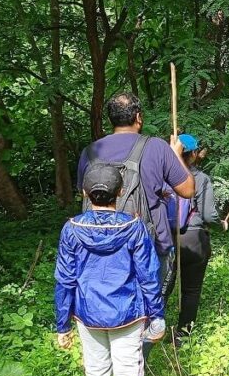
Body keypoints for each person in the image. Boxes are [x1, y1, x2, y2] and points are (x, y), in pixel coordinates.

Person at [54, 161, 166, 376]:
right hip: (127, 313)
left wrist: (62, 324)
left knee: (96, 372)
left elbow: (65, 279)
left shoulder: (72, 229)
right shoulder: (134, 227)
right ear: (121, 192)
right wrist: (157, 316)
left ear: (84, 193)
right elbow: (149, 276)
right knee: (128, 374)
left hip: (88, 314)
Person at [77, 92, 195, 300]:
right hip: (151, 243)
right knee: (150, 305)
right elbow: (187, 190)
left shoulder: (90, 152)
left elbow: (84, 193)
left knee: (110, 302)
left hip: (99, 243)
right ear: (138, 117)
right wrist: (176, 154)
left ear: (111, 119)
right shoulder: (156, 147)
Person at [167, 134, 228, 338]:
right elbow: (209, 215)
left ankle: (150, 330)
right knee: (191, 290)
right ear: (193, 154)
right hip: (194, 239)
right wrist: (221, 225)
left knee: (161, 287)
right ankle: (183, 335)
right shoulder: (201, 178)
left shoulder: (162, 176)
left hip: (165, 237)